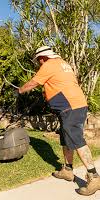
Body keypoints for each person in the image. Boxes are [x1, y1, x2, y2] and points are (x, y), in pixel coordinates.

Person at [18, 46, 100, 196]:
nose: (38, 63)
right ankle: (68, 170)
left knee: (76, 139)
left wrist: (20, 90)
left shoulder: (48, 65)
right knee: (65, 137)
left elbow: (33, 82)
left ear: (42, 58)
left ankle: (94, 177)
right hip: (75, 105)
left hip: (71, 107)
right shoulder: (63, 63)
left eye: (38, 61)